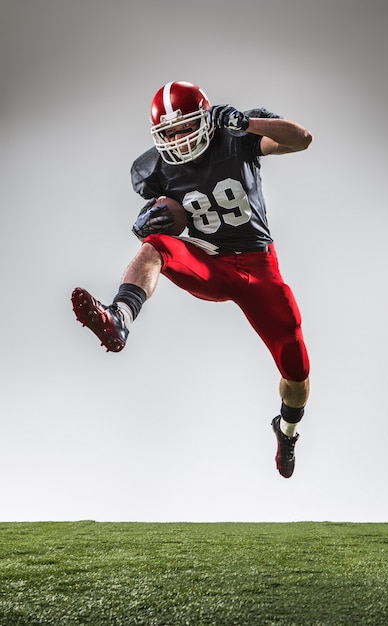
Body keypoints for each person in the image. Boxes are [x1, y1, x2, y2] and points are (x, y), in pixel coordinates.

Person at [71, 80, 313, 478]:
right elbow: (168, 215)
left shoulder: (235, 136)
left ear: (205, 117)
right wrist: (153, 219)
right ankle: (119, 318)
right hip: (209, 264)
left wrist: (247, 123)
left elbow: (302, 139)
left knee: (297, 373)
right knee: (155, 244)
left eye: (185, 127)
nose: (179, 139)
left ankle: (286, 432)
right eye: (170, 132)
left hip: (258, 269)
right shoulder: (151, 169)